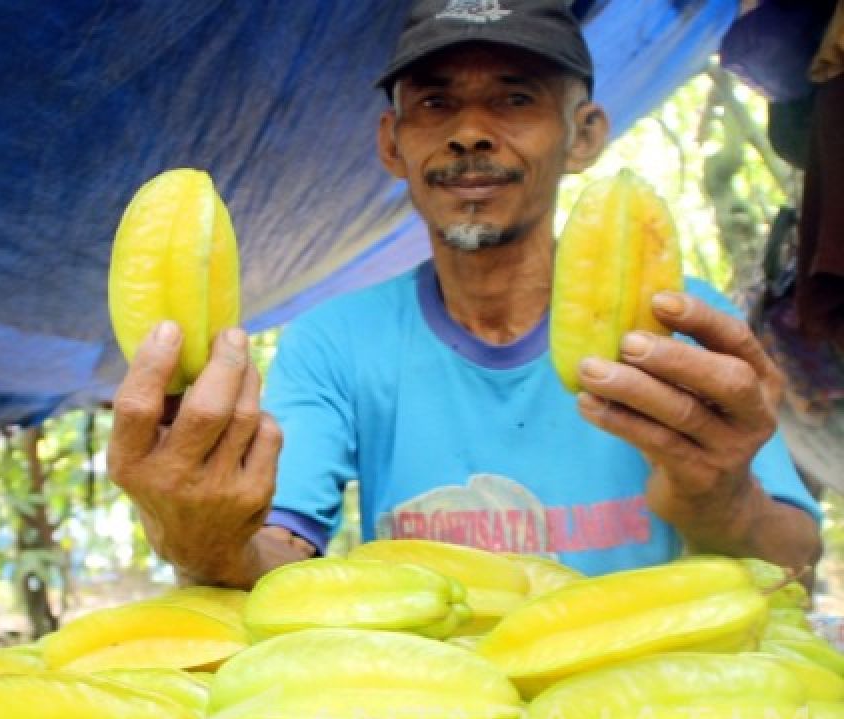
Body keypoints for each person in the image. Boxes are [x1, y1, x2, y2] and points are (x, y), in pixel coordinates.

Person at [107, 0, 823, 589]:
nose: (471, 133)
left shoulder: (681, 330)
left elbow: (793, 561)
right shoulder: (335, 341)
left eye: (515, 98)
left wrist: (720, 498)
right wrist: (208, 545)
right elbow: (279, 551)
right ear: (393, 144)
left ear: (584, 136)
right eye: (435, 103)